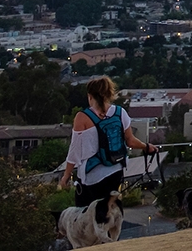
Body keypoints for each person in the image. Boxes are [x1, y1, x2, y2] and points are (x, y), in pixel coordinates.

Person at [61, 76, 156, 207]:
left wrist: (66, 175)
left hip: (91, 176)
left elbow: (75, 150)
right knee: (109, 209)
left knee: (85, 214)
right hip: (115, 170)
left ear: (90, 96)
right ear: (109, 94)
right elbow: (130, 141)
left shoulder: (82, 117)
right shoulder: (120, 112)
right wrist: (147, 147)